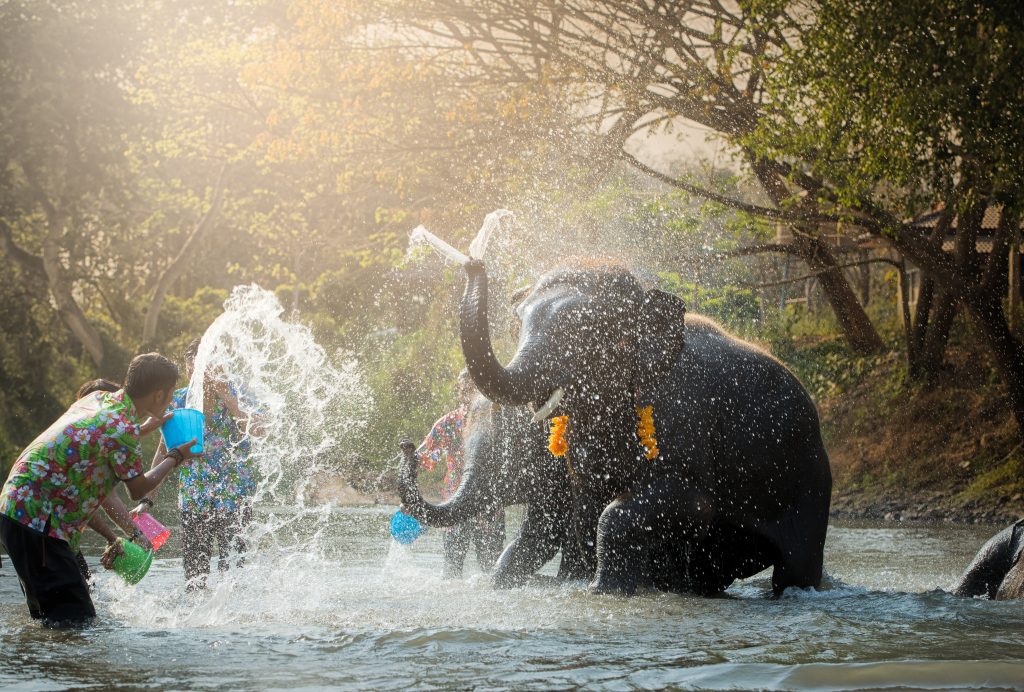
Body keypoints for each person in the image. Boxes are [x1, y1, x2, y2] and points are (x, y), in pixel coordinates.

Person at [0, 353, 201, 627]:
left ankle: (38, 660)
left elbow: (93, 434)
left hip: (19, 508)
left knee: (51, 618)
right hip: (37, 520)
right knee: (75, 621)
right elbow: (138, 488)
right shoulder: (122, 429)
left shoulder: (98, 400)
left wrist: (142, 430)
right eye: (169, 394)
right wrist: (174, 457)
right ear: (158, 395)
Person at [139, 338, 257, 590]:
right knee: (195, 578)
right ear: (188, 366)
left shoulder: (241, 395)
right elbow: (164, 451)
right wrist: (146, 501)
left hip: (235, 499)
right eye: (196, 366)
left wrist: (225, 393)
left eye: (210, 365)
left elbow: (257, 430)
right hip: (194, 498)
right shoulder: (178, 401)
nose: (202, 373)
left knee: (235, 576)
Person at [418, 370, 505, 579]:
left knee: (493, 571)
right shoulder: (448, 423)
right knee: (452, 571)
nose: (465, 392)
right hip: (455, 505)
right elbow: (423, 457)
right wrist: (408, 485)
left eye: (471, 388)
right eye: (462, 388)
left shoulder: (497, 420)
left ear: (482, 391)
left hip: (487, 505)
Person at [70, 378, 154, 585]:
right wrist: (127, 536)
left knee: (83, 599)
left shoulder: (86, 437)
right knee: (75, 610)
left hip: (54, 534)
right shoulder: (85, 445)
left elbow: (101, 498)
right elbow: (103, 499)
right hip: (42, 530)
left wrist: (115, 537)